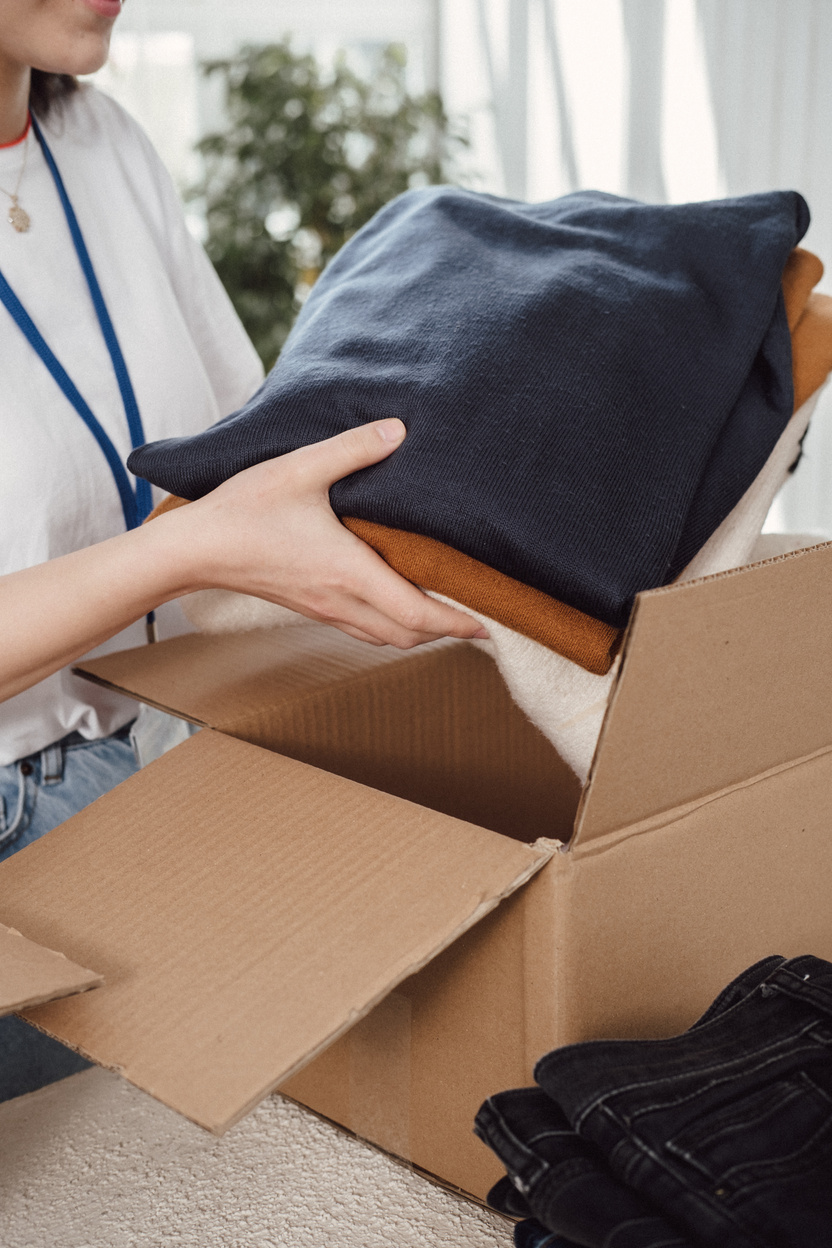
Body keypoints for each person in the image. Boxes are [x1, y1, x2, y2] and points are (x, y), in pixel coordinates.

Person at [0, 0, 479, 1100]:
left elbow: (238, 437)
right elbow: (206, 531)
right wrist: (189, 553)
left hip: (158, 754)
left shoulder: (105, 143)